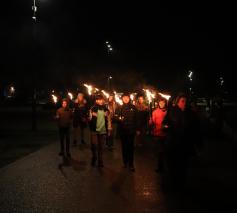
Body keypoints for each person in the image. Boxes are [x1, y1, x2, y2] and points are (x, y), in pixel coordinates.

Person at [163, 93, 198, 189]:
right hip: (173, 144)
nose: (184, 103)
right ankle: (173, 183)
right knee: (173, 165)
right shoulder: (171, 112)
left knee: (183, 166)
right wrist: (166, 127)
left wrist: (197, 142)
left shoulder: (191, 113)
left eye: (186, 101)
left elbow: (196, 129)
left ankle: (181, 184)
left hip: (185, 145)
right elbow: (165, 123)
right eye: (182, 101)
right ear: (177, 102)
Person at [115, 92, 138, 171]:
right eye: (124, 97)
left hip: (131, 131)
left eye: (127, 97)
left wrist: (137, 129)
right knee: (124, 147)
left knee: (131, 148)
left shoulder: (133, 108)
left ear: (129, 98)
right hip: (123, 131)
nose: (125, 99)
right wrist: (118, 119)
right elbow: (115, 118)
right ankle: (125, 163)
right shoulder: (119, 108)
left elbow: (136, 120)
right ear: (122, 99)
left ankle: (131, 164)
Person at [89, 95, 110, 167]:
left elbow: (107, 113)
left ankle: (100, 160)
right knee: (94, 145)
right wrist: (100, 114)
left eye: (102, 100)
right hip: (94, 129)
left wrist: (102, 114)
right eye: (99, 100)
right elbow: (91, 115)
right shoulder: (93, 108)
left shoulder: (104, 107)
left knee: (101, 146)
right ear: (96, 100)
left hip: (102, 129)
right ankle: (94, 157)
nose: (101, 101)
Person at [149, 98, 168, 173]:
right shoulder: (155, 112)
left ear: (165, 103)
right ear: (158, 103)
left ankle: (165, 166)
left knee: (165, 151)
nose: (161, 104)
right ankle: (160, 167)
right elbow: (152, 122)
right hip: (157, 134)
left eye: (163, 103)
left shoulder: (168, 111)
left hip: (166, 134)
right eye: (160, 103)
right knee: (160, 151)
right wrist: (150, 121)